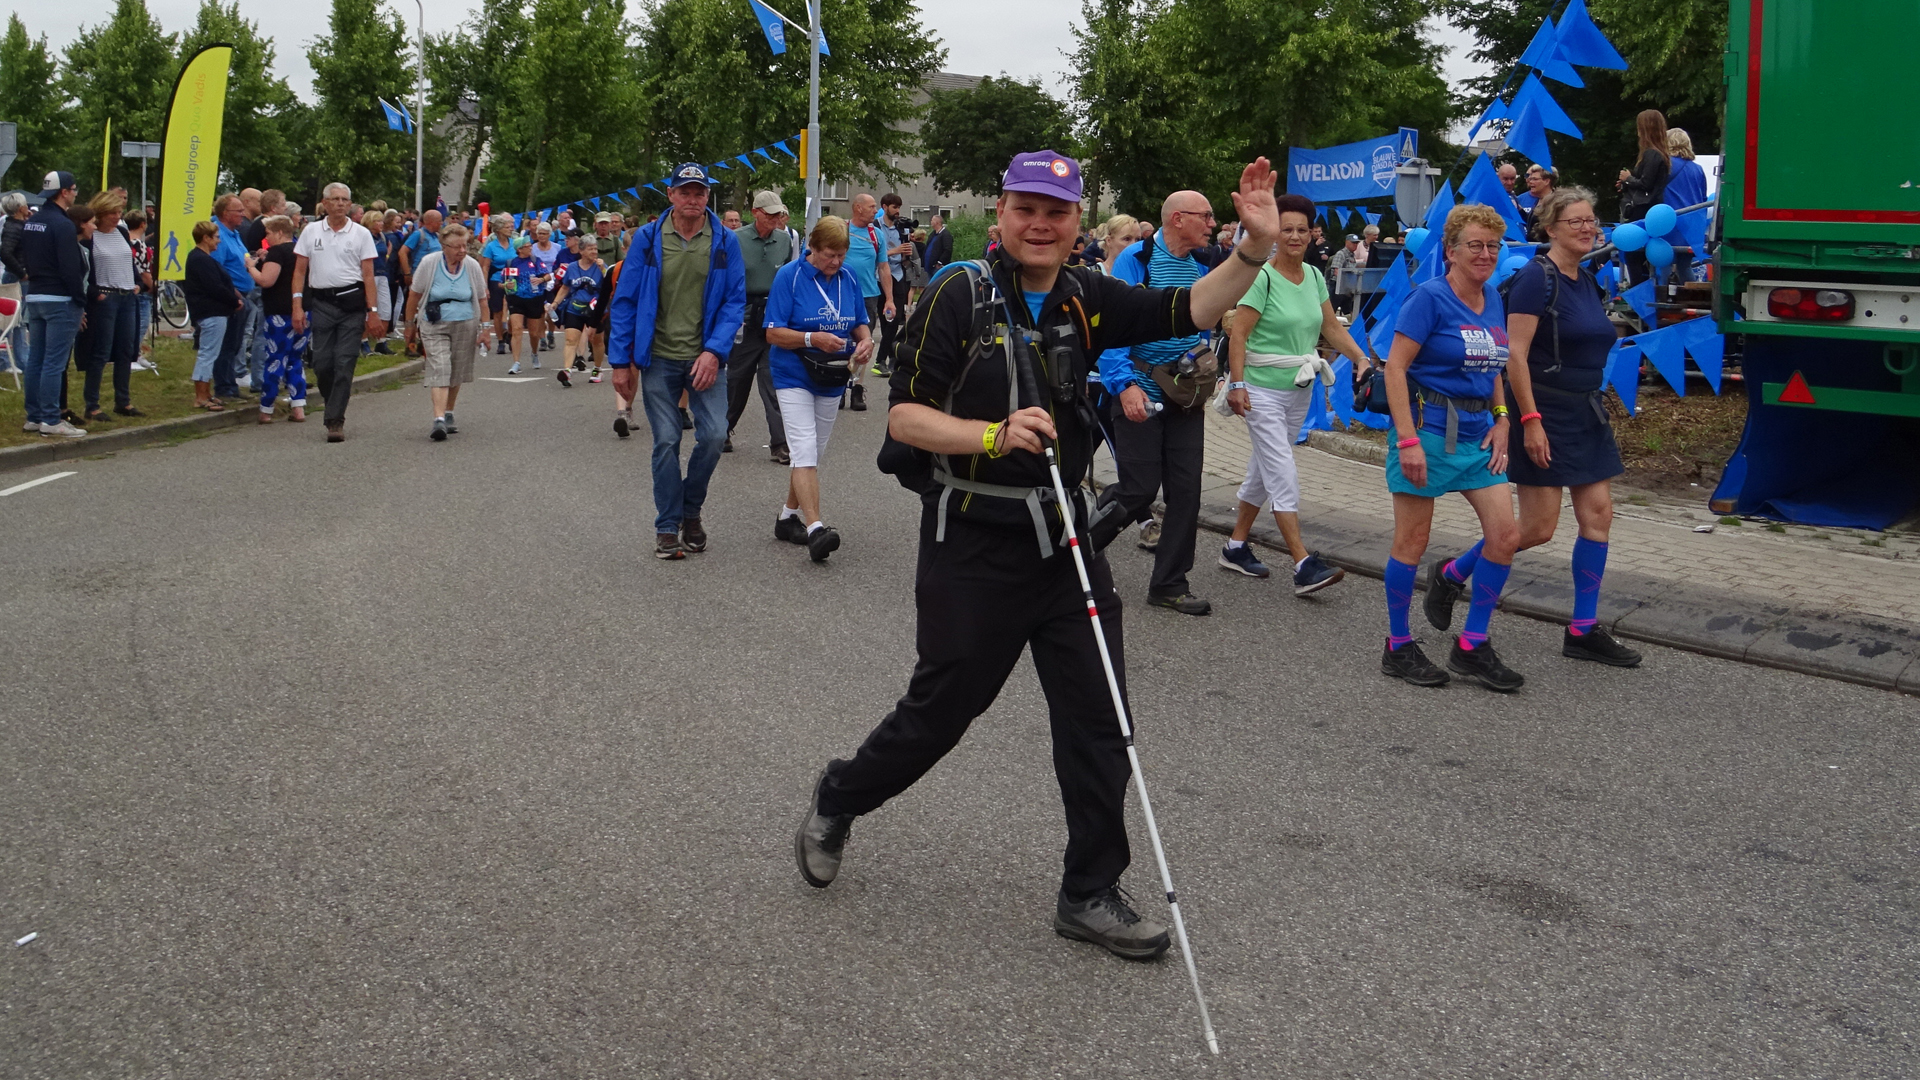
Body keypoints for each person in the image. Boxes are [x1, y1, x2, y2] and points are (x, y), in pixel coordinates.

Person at [793, 149, 1282, 960]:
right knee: (940, 715)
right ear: (1001, 212)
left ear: (1076, 222)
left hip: (1065, 544)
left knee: (1100, 723)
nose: (1041, 225)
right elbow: (905, 418)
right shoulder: (958, 293)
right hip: (974, 544)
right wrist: (992, 433)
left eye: (1056, 212)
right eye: (1026, 208)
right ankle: (840, 793)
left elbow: (1188, 309)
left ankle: (1089, 889)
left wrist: (1253, 249)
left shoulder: (1086, 294)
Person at [1430, 187, 1643, 669]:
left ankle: (1583, 630)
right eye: (1576, 222)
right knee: (1537, 529)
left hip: (1586, 412)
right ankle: (1451, 572)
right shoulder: (1534, 279)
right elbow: (1515, 355)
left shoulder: (1586, 281)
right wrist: (1528, 421)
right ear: (1550, 228)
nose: (1588, 229)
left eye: (1592, 221)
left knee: (1599, 516)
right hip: (1543, 413)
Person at [1378, 203, 1521, 692]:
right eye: (1475, 245)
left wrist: (1504, 419)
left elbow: (1494, 365)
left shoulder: (1493, 299)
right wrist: (1408, 441)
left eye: (1493, 246)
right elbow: (1395, 368)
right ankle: (1398, 646)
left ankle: (1472, 644)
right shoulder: (1429, 299)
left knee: (1505, 537)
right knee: (1412, 544)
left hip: (1479, 437)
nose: (1485, 254)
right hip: (1429, 432)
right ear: (1451, 251)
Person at [1219, 192, 1369, 594]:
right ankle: (1303, 563)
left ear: (1311, 234)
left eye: (1303, 229)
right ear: (1275, 234)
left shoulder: (1315, 276)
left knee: (1264, 469)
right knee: (1282, 469)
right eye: (1287, 229)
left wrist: (1361, 359)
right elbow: (1239, 335)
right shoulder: (1262, 277)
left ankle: (1235, 546)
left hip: (1298, 390)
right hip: (1260, 391)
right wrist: (1235, 384)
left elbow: (1331, 328)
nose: (1295, 236)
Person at [605, 163, 747, 560]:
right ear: (670, 195)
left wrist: (714, 351)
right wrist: (620, 362)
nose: (693, 200)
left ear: (707, 197)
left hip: (706, 358)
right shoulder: (649, 239)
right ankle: (668, 525)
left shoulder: (723, 240)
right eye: (685, 192)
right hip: (660, 358)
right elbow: (627, 301)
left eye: (699, 193)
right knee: (666, 440)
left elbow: (735, 302)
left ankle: (691, 509)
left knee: (716, 435)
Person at [1099, 189, 1225, 616]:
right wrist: (1124, 385)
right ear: (1177, 219)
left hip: (1185, 395)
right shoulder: (1137, 258)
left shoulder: (1199, 265)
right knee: (1137, 489)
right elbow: (1111, 323)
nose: (1212, 224)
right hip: (1140, 389)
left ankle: (1170, 583)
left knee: (1186, 492)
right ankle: (1072, 553)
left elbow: (1201, 326)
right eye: (1205, 216)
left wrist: (1207, 374)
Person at [763, 215, 875, 561]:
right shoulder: (789, 277)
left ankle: (786, 518)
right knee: (804, 448)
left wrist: (866, 341)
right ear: (812, 247)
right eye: (829, 255)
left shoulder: (848, 277)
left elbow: (859, 322)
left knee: (812, 454)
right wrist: (811, 338)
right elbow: (772, 332)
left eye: (841, 255)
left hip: (832, 375)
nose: (835, 262)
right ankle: (815, 529)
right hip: (793, 372)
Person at [290, 182, 385, 443]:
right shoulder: (311, 231)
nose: (341, 203)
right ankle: (333, 401)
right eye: (336, 199)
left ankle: (335, 419)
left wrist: (373, 311)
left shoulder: (361, 234)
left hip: (351, 305)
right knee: (322, 363)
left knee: (344, 362)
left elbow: (368, 275)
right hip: (321, 302)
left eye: (345, 199)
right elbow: (299, 271)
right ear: (325, 203)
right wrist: (297, 305)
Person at [18, 172, 90, 437]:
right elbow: (70, 267)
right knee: (54, 362)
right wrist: (80, 299)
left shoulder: (32, 222)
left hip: (35, 295)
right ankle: (51, 418)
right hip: (59, 298)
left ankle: (34, 416)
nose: (75, 193)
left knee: (36, 359)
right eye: (74, 189)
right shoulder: (62, 225)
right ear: (64, 192)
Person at [727, 189, 797, 462]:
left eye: (779, 214)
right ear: (756, 213)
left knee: (773, 381)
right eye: (770, 214)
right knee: (737, 379)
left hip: (773, 317)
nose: (776, 219)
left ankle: (780, 443)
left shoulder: (785, 240)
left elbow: (790, 276)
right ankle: (722, 428)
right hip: (744, 315)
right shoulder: (735, 239)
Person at [404, 222, 488, 440]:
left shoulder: (471, 266)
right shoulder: (429, 263)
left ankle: (449, 411)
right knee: (440, 367)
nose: (462, 250)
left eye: (464, 246)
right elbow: (414, 295)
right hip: (434, 323)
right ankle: (439, 419)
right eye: (456, 246)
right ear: (443, 246)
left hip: (465, 322)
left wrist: (485, 329)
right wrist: (409, 325)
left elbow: (481, 299)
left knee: (457, 368)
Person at [80, 191, 144, 424]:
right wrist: (95, 293)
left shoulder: (122, 232)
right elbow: (85, 267)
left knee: (126, 350)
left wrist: (137, 283)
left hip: (127, 295)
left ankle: (123, 400)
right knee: (101, 350)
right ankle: (92, 404)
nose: (117, 217)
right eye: (112, 213)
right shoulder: (91, 236)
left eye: (119, 212)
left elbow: (128, 259)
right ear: (100, 214)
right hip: (106, 296)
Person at [247, 214, 308, 423]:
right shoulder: (300, 251)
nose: (267, 237)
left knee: (275, 360)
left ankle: (266, 408)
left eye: (269, 233)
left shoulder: (277, 253)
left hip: (279, 314)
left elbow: (266, 280)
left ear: (280, 232)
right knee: (295, 359)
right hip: (303, 312)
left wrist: (251, 267)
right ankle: (298, 406)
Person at [841, 193, 893, 411]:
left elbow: (883, 267)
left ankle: (858, 390)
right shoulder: (841, 229)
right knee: (841, 342)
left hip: (869, 296)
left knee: (865, 344)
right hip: (841, 294)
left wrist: (889, 299)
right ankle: (839, 387)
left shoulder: (877, 235)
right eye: (872, 207)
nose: (876, 210)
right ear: (858, 208)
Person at [184, 220, 243, 412]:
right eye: (216, 238)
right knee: (207, 354)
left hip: (215, 312)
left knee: (211, 352)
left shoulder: (203, 258)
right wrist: (234, 301)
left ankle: (207, 393)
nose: (218, 241)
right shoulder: (200, 259)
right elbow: (215, 287)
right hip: (211, 312)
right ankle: (201, 396)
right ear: (206, 238)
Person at [211, 193, 257, 400]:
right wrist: (236, 296)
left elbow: (242, 258)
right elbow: (218, 269)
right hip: (231, 297)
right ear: (224, 213)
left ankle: (231, 384)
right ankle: (224, 386)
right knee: (227, 344)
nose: (242, 214)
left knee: (236, 343)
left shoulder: (234, 233)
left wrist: (255, 258)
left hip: (242, 294)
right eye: (237, 211)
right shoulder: (218, 235)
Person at [1618, 108, 1671, 286]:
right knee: (1639, 258)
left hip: (1642, 210)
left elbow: (1646, 184)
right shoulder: (1660, 154)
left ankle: (1638, 296)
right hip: (1650, 208)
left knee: (1634, 257)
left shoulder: (1652, 154)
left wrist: (1628, 179)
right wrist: (1626, 184)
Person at [552, 233, 605, 385]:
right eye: (590, 249)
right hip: (574, 308)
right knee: (570, 339)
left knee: (597, 341)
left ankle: (597, 368)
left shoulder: (601, 267)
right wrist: (555, 303)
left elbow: (610, 285)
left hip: (595, 309)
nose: (594, 252)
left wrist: (603, 269)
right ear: (581, 251)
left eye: (595, 249)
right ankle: (567, 371)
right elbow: (565, 287)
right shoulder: (572, 268)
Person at [500, 236, 551, 375]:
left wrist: (540, 279)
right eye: (528, 246)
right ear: (520, 249)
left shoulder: (535, 261)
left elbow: (548, 276)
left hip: (534, 298)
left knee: (534, 333)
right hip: (516, 299)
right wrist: (506, 285)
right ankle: (516, 362)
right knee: (517, 329)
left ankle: (534, 353)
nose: (531, 247)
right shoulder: (511, 263)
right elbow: (502, 281)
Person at [1663, 128, 1709, 282]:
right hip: (1692, 227)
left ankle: (1662, 301)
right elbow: (1703, 198)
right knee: (1685, 267)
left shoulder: (1666, 166)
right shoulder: (1698, 169)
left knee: (1663, 264)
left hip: (1670, 224)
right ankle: (1690, 298)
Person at [479, 213, 517, 355]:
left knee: (514, 310)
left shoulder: (515, 242)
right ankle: (500, 341)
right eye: (507, 227)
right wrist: (484, 286)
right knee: (497, 310)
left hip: (513, 279)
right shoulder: (491, 246)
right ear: (499, 229)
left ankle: (511, 335)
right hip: (497, 278)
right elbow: (485, 266)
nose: (510, 229)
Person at [364, 208, 398, 355]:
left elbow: (386, 252)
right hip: (370, 274)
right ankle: (363, 341)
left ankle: (381, 341)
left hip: (383, 273)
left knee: (385, 308)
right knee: (369, 308)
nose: (381, 223)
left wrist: (388, 255)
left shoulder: (382, 237)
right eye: (377, 221)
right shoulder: (365, 237)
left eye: (381, 221)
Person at [400, 207, 443, 289]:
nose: (441, 223)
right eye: (439, 221)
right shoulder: (418, 234)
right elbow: (402, 252)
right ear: (431, 222)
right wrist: (407, 273)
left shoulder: (437, 236)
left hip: (434, 276)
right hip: (419, 275)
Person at [1328, 234, 1361, 315]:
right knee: (1332, 310)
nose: (1355, 245)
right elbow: (1336, 271)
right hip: (1337, 286)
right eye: (1353, 243)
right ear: (1347, 242)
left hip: (1347, 287)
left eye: (1356, 243)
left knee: (1349, 309)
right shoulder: (1341, 254)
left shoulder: (1352, 255)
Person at [922, 212, 953, 278]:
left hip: (938, 268)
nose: (931, 222)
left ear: (937, 222)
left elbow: (948, 249)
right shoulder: (932, 234)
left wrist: (940, 262)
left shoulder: (945, 235)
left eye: (932, 220)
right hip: (929, 266)